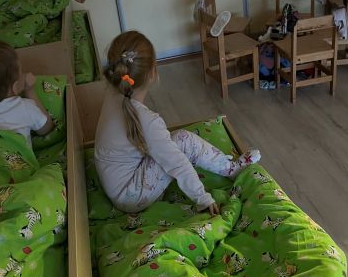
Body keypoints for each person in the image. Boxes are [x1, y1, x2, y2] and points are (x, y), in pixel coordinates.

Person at [94, 31, 261, 216]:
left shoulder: (112, 94)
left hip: (116, 185)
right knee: (183, 140)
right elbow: (177, 163)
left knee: (167, 145)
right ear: (152, 73)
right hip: (130, 197)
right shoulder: (147, 121)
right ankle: (230, 169)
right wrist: (203, 198)